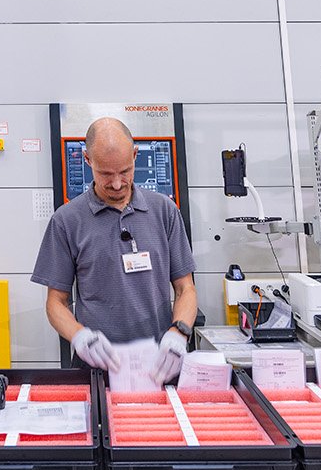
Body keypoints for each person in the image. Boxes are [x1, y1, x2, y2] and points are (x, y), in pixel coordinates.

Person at [31, 117, 197, 383]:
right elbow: (56, 302)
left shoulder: (164, 211)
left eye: (125, 171)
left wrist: (179, 332)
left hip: (159, 365)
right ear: (87, 160)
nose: (118, 184)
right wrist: (79, 336)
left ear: (135, 155)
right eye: (106, 174)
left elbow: (185, 288)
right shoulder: (67, 220)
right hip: (94, 368)